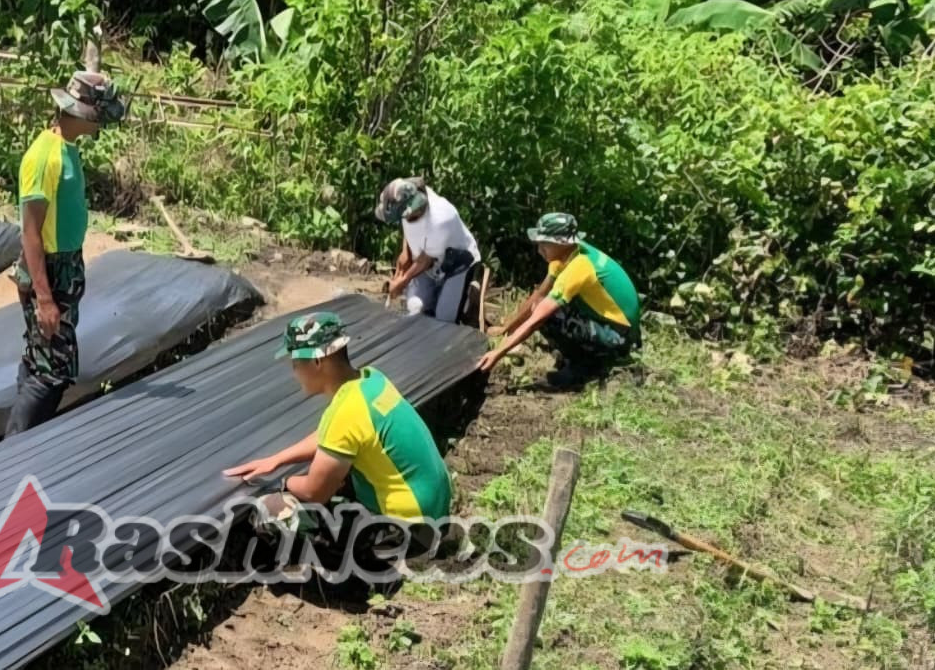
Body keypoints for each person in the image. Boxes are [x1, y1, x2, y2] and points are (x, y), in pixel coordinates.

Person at [223, 312, 452, 561]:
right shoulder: (370, 380)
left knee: (272, 508)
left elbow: (314, 492)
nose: (294, 371)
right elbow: (330, 436)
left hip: (407, 532)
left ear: (318, 361)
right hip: (433, 514)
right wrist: (277, 459)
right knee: (337, 476)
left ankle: (351, 578)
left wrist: (282, 483)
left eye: (295, 362)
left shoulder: (347, 411)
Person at [4, 71, 126, 438]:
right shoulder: (43, 157)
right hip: (51, 272)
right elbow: (30, 233)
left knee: (38, 358)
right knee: (54, 371)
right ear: (83, 112)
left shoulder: (67, 149)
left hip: (65, 266)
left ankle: (23, 442)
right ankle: (13, 450)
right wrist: (44, 298)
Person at [479, 213, 641, 387]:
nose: (539, 249)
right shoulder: (569, 254)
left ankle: (582, 368)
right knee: (543, 306)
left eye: (544, 244)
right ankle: (582, 359)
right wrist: (507, 328)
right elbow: (539, 295)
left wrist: (499, 352)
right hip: (611, 325)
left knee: (550, 315)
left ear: (562, 243)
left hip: (618, 337)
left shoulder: (580, 266)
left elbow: (537, 318)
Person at [375, 177, 481, 323]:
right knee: (415, 308)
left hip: (457, 261)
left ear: (412, 211)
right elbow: (408, 227)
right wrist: (406, 252)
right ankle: (439, 296)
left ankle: (468, 301)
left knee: (444, 319)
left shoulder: (442, 220)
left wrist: (402, 282)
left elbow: (424, 261)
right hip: (431, 262)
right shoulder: (411, 190)